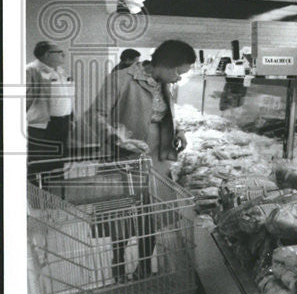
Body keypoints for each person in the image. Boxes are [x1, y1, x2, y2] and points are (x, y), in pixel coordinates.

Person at [81, 39, 196, 279]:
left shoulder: (166, 83)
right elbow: (94, 114)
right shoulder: (122, 79)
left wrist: (180, 131)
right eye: (177, 72)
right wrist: (119, 138)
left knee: (151, 213)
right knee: (121, 214)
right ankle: (118, 263)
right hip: (124, 157)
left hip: (156, 156)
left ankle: (145, 265)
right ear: (163, 64)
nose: (177, 78)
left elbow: (167, 113)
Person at [26, 41, 73, 183]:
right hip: (42, 126)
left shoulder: (60, 71)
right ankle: (39, 197)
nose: (63, 55)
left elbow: (66, 97)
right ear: (47, 54)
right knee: (41, 163)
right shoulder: (30, 70)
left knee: (58, 162)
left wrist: (71, 118)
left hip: (62, 124)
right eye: (59, 52)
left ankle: (56, 195)